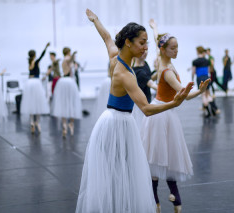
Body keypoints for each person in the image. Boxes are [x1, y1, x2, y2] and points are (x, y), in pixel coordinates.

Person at [76, 10, 195, 213]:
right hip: (116, 123)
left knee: (122, 172)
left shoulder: (116, 57)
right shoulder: (125, 74)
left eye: (147, 42)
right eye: (142, 42)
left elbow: (106, 37)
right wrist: (174, 104)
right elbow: (147, 109)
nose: (146, 47)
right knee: (122, 172)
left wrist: (95, 20)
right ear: (129, 43)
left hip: (118, 120)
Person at [141, 20, 210, 213]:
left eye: (177, 47)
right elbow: (184, 96)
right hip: (161, 113)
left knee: (163, 157)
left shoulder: (163, 59)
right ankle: (164, 202)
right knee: (160, 158)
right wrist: (200, 91)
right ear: (164, 50)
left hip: (164, 112)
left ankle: (168, 201)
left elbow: (157, 40)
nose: (176, 50)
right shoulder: (167, 72)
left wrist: (154, 27)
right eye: (173, 48)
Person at [51, 47, 81, 137]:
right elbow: (70, 60)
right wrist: (73, 55)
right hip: (69, 81)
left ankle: (64, 124)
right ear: (68, 52)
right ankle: (71, 123)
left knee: (64, 103)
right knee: (72, 102)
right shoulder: (68, 58)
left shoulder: (64, 59)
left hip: (63, 81)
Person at [21, 43, 50, 133]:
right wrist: (46, 47)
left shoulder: (29, 62)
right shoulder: (36, 62)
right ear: (34, 55)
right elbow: (42, 55)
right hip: (36, 83)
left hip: (30, 82)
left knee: (31, 102)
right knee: (38, 102)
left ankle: (31, 122)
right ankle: (37, 121)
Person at [132, 50, 157, 129]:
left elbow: (149, 78)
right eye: (142, 50)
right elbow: (151, 83)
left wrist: (159, 70)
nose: (145, 52)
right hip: (140, 106)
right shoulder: (137, 71)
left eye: (146, 50)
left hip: (147, 101)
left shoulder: (145, 64)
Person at [192, 46, 215, 117]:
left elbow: (193, 72)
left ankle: (208, 112)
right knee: (208, 94)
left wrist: (192, 79)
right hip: (207, 78)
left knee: (203, 95)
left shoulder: (195, 61)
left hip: (200, 78)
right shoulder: (207, 60)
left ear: (198, 51)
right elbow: (209, 70)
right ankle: (213, 110)